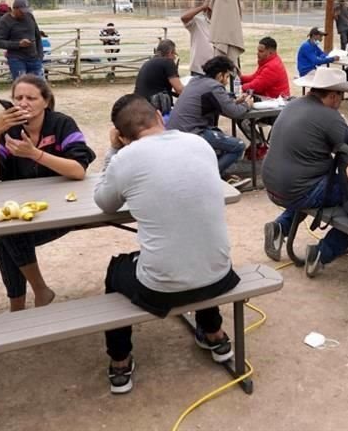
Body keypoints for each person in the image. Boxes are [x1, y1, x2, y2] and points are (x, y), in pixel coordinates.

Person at [94, 94, 241, 394]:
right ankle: (214, 333)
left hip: (161, 289)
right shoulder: (200, 144)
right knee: (192, 243)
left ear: (123, 137)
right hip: (221, 274)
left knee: (116, 268)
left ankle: (120, 361)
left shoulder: (125, 157)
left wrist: (113, 150)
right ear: (160, 117)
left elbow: (104, 203)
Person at [0, 74, 96, 311]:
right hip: (28, 213)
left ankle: (30, 298)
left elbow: (78, 170)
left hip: (64, 210)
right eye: (18, 98)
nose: (23, 103)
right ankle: (24, 302)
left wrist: (35, 154)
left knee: (8, 235)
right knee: (5, 236)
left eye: (31, 97)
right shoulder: (8, 131)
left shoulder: (62, 124)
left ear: (45, 101)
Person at [261, 67, 348, 274]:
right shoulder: (330, 116)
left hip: (273, 183)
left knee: (309, 185)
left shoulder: (293, 105)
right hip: (299, 189)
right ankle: (322, 252)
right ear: (334, 96)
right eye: (341, 97)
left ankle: (281, 226)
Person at [167, 56, 252, 185]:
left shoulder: (195, 81)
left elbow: (220, 103)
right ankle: (209, 178)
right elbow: (234, 112)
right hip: (192, 132)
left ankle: (221, 175)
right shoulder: (214, 86)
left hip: (176, 130)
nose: (227, 81)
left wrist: (234, 102)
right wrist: (247, 105)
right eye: (227, 76)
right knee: (237, 145)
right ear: (220, 76)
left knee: (220, 138)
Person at [0, 0, 44, 79]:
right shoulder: (4, 21)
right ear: (15, 9)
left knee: (38, 87)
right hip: (17, 59)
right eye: (22, 11)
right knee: (21, 85)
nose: (24, 14)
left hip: (34, 58)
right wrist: (18, 44)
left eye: (26, 11)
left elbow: (37, 36)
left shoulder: (30, 17)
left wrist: (40, 56)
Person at [134, 39, 184, 110]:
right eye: (174, 54)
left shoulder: (148, 62)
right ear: (170, 53)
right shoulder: (168, 62)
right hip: (153, 108)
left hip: (138, 104)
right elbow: (179, 89)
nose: (174, 57)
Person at [181, 3, 213, 76]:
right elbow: (184, 18)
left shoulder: (222, 24)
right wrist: (202, 7)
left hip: (216, 70)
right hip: (199, 70)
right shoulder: (198, 22)